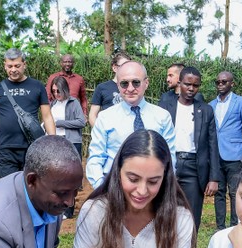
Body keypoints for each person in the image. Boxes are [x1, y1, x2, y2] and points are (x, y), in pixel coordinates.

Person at [86, 61, 176, 189]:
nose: (130, 88)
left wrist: (162, 188)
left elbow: (170, 158)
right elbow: (96, 157)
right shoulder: (105, 118)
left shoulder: (162, 117)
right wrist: (102, 188)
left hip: (151, 190)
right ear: (118, 85)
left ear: (146, 83)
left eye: (136, 82)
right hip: (113, 186)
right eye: (124, 83)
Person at [158, 66, 220, 230]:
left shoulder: (206, 110)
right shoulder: (165, 107)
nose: (191, 89)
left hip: (194, 168)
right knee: (164, 212)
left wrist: (214, 178)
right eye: (187, 84)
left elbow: (212, 144)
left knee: (191, 217)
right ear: (180, 83)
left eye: (195, 85)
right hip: (168, 165)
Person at [0, 48, 55, 180]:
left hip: (32, 147)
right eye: (9, 66)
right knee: (8, 187)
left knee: (31, 187)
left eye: (17, 66)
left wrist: (53, 142)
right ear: (4, 65)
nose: (13, 69)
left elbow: (47, 116)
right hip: (6, 149)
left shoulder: (37, 86)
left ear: (24, 65)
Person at [209, 71, 242, 230]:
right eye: (218, 82)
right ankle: (220, 228)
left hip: (235, 155)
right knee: (219, 192)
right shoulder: (211, 105)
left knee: (235, 192)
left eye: (224, 82)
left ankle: (235, 227)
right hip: (215, 155)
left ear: (232, 84)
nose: (220, 84)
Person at [50, 75, 87, 219]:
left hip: (71, 142)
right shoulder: (53, 104)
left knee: (70, 177)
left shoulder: (74, 102)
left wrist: (61, 123)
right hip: (55, 142)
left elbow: (81, 122)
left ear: (64, 89)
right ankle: (58, 208)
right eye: (54, 91)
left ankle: (68, 211)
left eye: (58, 91)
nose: (56, 94)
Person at [88, 51, 131, 126]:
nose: (127, 69)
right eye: (123, 66)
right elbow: (92, 115)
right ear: (114, 68)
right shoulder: (102, 87)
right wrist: (100, 132)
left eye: (129, 66)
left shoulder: (134, 88)